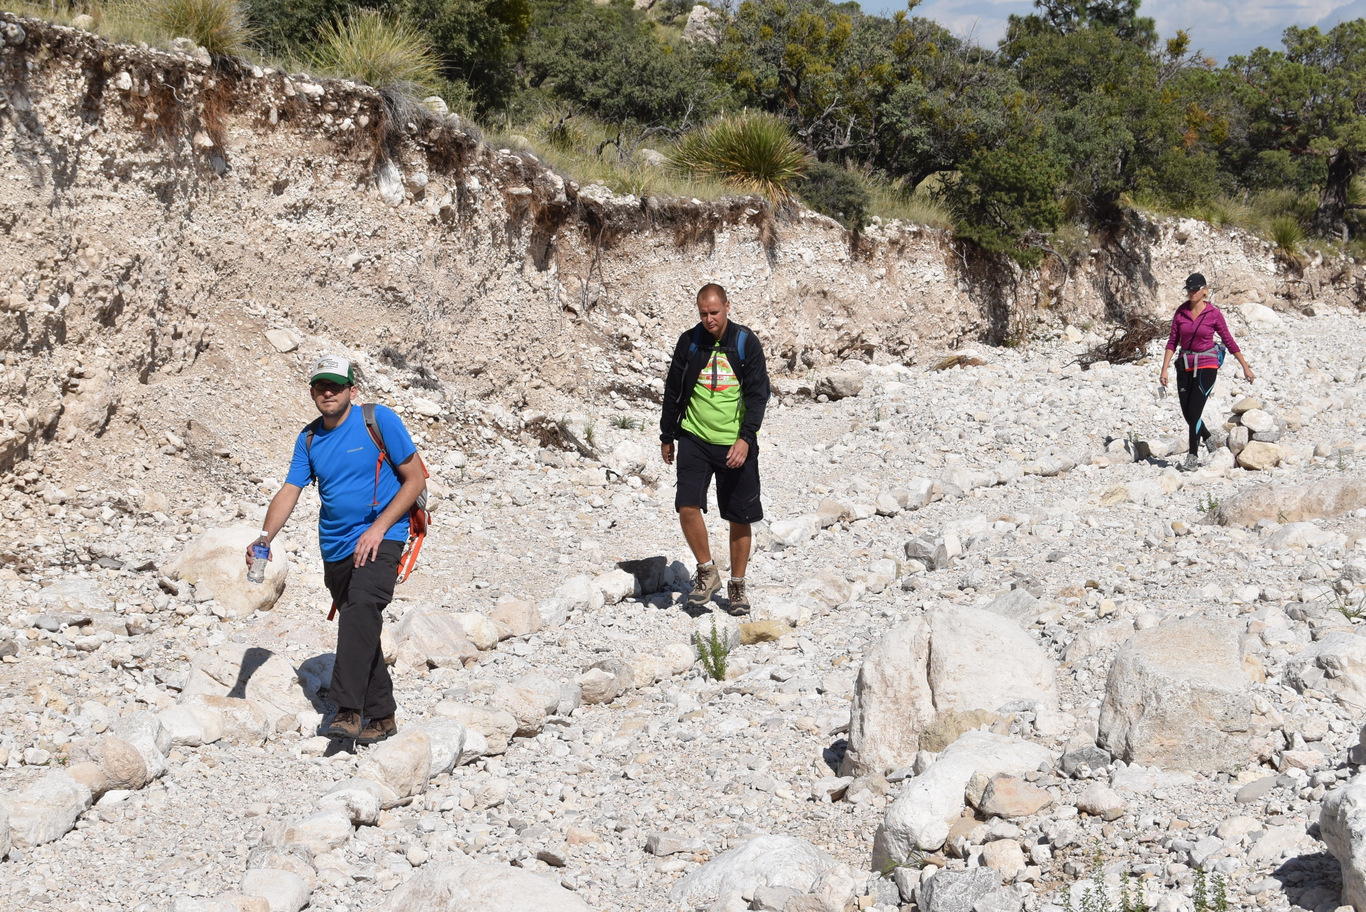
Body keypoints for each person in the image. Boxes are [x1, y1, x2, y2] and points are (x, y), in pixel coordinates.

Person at [247, 355, 426, 744]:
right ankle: (383, 716)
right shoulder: (308, 438)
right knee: (359, 624)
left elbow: (415, 478)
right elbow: (290, 490)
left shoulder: (377, 420)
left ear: (352, 390)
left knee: (362, 608)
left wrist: (379, 528)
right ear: (312, 391)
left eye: (336, 385)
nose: (328, 392)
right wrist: (265, 537)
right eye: (320, 386)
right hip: (335, 548)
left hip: (385, 535)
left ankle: (347, 710)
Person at [660, 283, 771, 615]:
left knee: (740, 516)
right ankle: (707, 572)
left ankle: (737, 586)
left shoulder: (744, 343)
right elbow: (673, 389)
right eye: (703, 313)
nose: (709, 319)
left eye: (714, 312)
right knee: (686, 505)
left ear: (727, 306)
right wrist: (668, 434)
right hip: (694, 437)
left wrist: (745, 438)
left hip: (734, 443)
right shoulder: (690, 342)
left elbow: (758, 394)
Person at [1158, 273, 1255, 470]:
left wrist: (1245, 366)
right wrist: (1164, 369)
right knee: (1188, 413)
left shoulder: (1214, 314)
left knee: (1194, 411)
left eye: (1195, 289)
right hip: (1184, 365)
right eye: (1189, 290)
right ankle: (1208, 438)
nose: (1192, 293)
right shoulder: (1181, 312)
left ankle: (1192, 457)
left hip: (1207, 365)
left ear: (1205, 290)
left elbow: (1228, 340)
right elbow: (1172, 341)